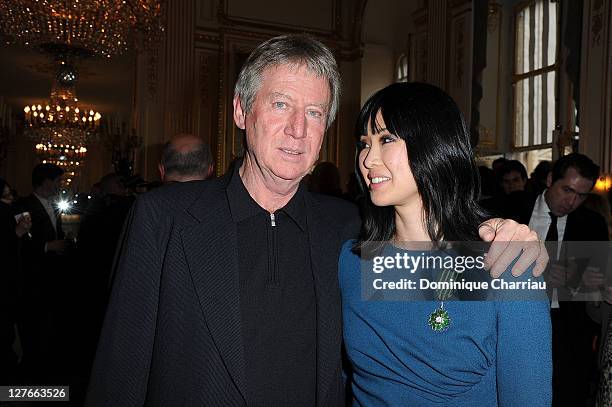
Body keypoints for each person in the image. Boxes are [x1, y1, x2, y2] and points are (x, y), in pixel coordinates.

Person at [86, 34, 548, 406]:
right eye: (281, 104)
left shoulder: (342, 230)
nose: (298, 130)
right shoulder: (163, 217)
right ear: (241, 111)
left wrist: (514, 238)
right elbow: (120, 367)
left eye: (315, 113)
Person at [339, 82, 552, 405]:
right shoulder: (350, 262)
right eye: (364, 143)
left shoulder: (508, 264)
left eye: (385, 139)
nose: (368, 159)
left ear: (434, 145)